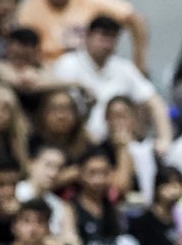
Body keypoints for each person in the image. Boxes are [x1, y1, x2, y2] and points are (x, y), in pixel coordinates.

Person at [51, 14, 172, 153]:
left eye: (112, 38)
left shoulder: (123, 67)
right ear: (88, 37)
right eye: (103, 36)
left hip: (117, 144)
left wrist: (165, 139)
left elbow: (155, 102)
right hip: (75, 143)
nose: (107, 44)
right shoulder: (68, 64)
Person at [18, 0, 149, 72]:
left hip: (91, 69)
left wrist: (139, 63)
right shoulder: (29, 9)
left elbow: (135, 20)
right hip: (49, 72)